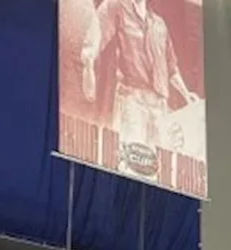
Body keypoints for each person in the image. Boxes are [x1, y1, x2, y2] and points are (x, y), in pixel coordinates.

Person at [80, 0, 199, 171]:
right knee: (129, 163)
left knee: (157, 167)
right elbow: (98, 29)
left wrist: (186, 95)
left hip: (159, 107)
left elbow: (171, 68)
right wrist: (89, 57)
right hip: (133, 101)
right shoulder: (117, 7)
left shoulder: (159, 24)